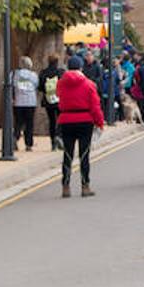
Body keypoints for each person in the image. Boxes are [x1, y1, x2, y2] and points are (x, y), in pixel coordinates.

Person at [56, 55, 104, 197]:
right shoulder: (89, 84)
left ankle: (65, 186)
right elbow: (95, 106)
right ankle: (85, 186)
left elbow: (60, 101)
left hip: (66, 119)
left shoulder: (61, 84)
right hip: (85, 120)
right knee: (84, 155)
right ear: (81, 67)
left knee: (67, 155)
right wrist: (99, 122)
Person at [10, 56, 40, 151]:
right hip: (30, 102)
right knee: (29, 124)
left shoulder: (14, 74)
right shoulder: (33, 75)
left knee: (18, 122)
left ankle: (15, 137)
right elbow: (36, 85)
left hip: (18, 102)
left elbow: (10, 85)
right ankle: (28, 143)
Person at [38, 54, 64, 151]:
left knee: (52, 121)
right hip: (59, 99)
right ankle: (59, 136)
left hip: (48, 100)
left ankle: (53, 142)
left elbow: (40, 87)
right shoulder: (61, 72)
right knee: (61, 119)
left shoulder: (43, 73)